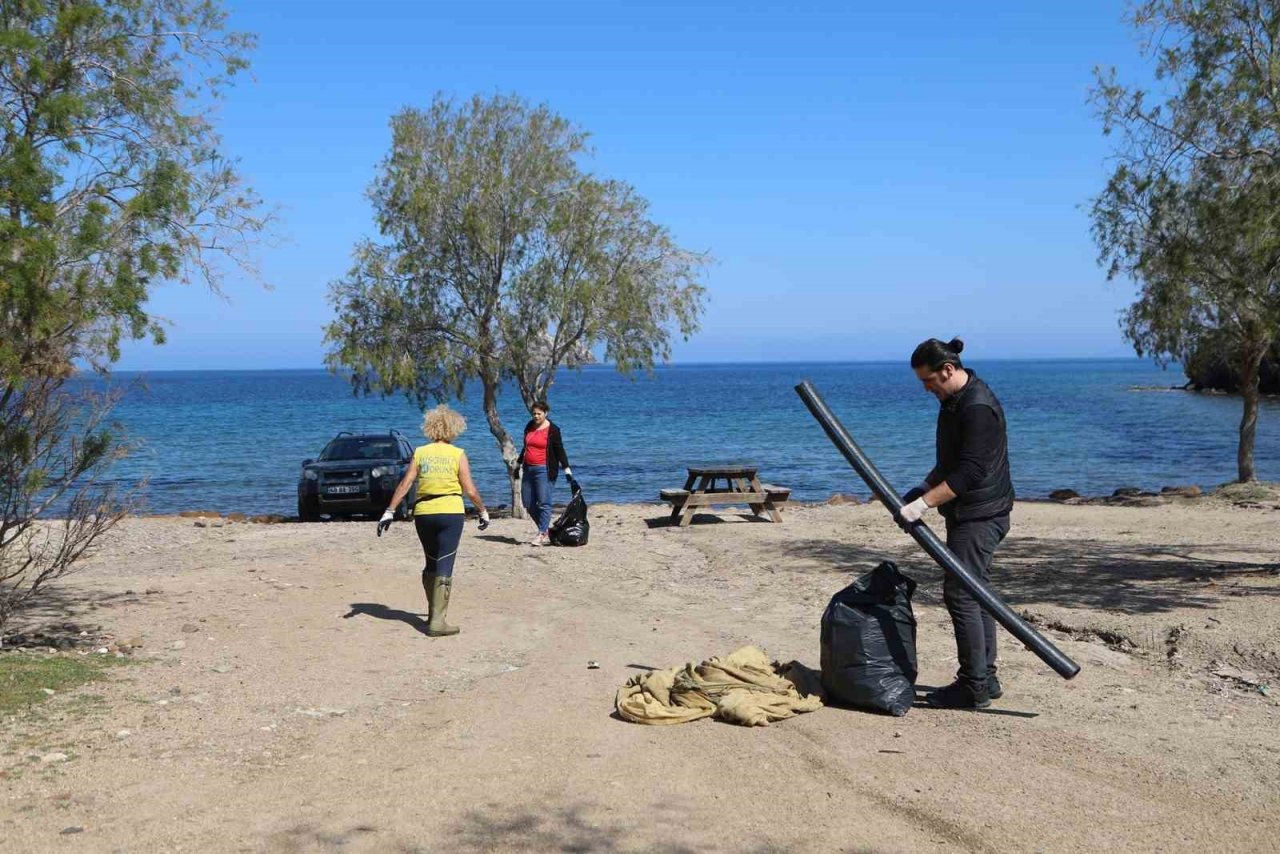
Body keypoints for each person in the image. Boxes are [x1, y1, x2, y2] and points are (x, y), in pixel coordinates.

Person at [897, 337, 1015, 709]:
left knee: (963, 593)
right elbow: (950, 461)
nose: (926, 388)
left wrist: (923, 506)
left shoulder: (977, 407)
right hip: (969, 513)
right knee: (977, 591)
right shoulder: (953, 402)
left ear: (948, 370)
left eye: (929, 381)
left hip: (981, 515)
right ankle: (986, 678)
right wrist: (922, 488)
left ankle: (973, 686)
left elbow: (970, 472)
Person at [378, 404, 489, 637]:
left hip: (424, 513)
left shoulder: (420, 452)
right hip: (450, 511)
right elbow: (469, 489)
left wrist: (389, 511)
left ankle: (432, 613)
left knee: (430, 562)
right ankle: (438, 622)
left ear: (430, 427)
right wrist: (482, 510)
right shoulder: (457, 454)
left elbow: (405, 484)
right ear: (454, 428)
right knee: (445, 563)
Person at [517, 399, 573, 546]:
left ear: (545, 413)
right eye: (534, 414)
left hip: (544, 469)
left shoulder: (553, 430)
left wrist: (567, 470)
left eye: (539, 414)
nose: (536, 416)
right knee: (527, 502)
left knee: (544, 502)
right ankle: (546, 530)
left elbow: (559, 450)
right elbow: (526, 446)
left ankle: (542, 533)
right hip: (528, 468)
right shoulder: (529, 426)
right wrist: (518, 464)